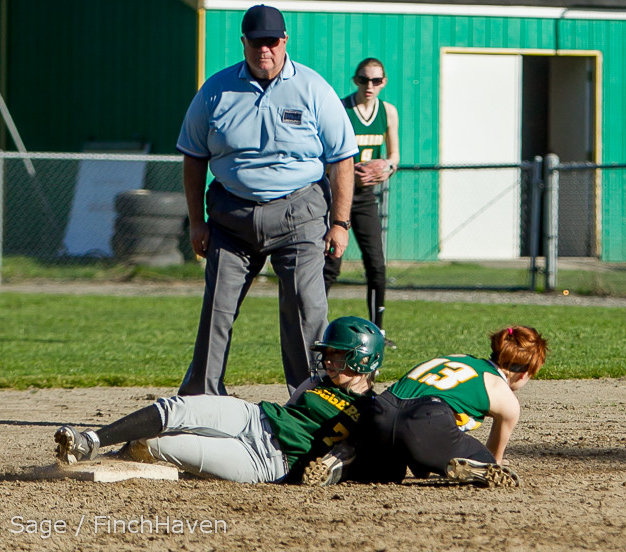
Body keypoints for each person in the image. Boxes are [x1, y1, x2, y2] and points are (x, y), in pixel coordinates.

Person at [175, 4, 359, 397]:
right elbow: (193, 157)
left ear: (284, 41)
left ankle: (311, 399)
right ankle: (201, 399)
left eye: (272, 43)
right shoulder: (215, 91)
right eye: (257, 43)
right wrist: (196, 221)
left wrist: (340, 223)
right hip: (231, 216)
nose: (265, 51)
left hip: (300, 213)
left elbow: (342, 158)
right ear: (244, 43)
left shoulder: (313, 89)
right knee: (217, 311)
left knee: (305, 310)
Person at [53, 317, 384, 485]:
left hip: (269, 463)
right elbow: (290, 407)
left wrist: (334, 464)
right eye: (327, 354)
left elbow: (363, 453)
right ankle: (89, 442)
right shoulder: (318, 382)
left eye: (339, 356)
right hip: (255, 417)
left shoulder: (373, 411)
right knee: (177, 408)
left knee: (156, 446)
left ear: (365, 361)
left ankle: (116, 457)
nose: (328, 361)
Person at [337, 325, 548, 488]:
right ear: (524, 373)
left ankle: (347, 462)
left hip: (379, 410)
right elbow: (496, 459)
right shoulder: (507, 399)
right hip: (426, 419)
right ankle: (440, 460)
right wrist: (491, 461)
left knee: (389, 473)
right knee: (487, 463)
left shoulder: (455, 358)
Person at [323, 58, 400, 348]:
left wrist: (385, 168)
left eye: (376, 81)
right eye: (364, 80)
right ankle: (318, 327)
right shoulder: (341, 110)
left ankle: (378, 330)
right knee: (330, 265)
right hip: (336, 195)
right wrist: (342, 172)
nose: (370, 86)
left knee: (376, 263)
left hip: (365, 197)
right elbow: (324, 155)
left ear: (384, 82)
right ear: (355, 80)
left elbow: (394, 157)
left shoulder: (388, 112)